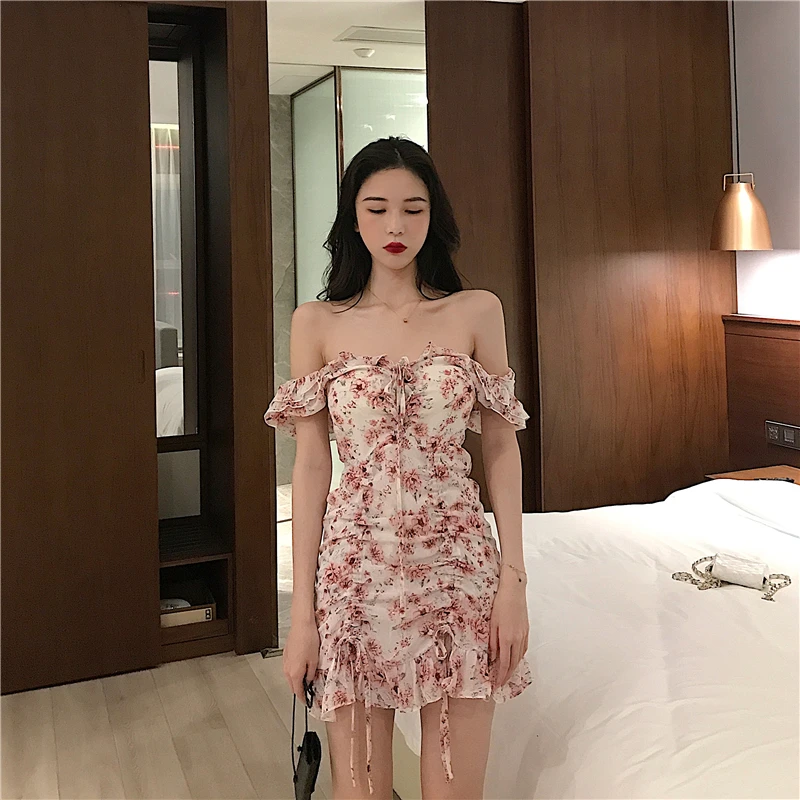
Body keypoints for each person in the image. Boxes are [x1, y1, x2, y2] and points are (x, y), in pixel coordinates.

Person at [264, 136, 532, 800]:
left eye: (413, 209)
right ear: (352, 218)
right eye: (377, 208)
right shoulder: (316, 323)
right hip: (354, 576)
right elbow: (310, 467)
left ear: (433, 216)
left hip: (459, 570)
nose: (395, 226)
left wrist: (513, 582)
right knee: (360, 792)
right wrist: (302, 617)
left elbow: (501, 448)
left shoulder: (477, 312)